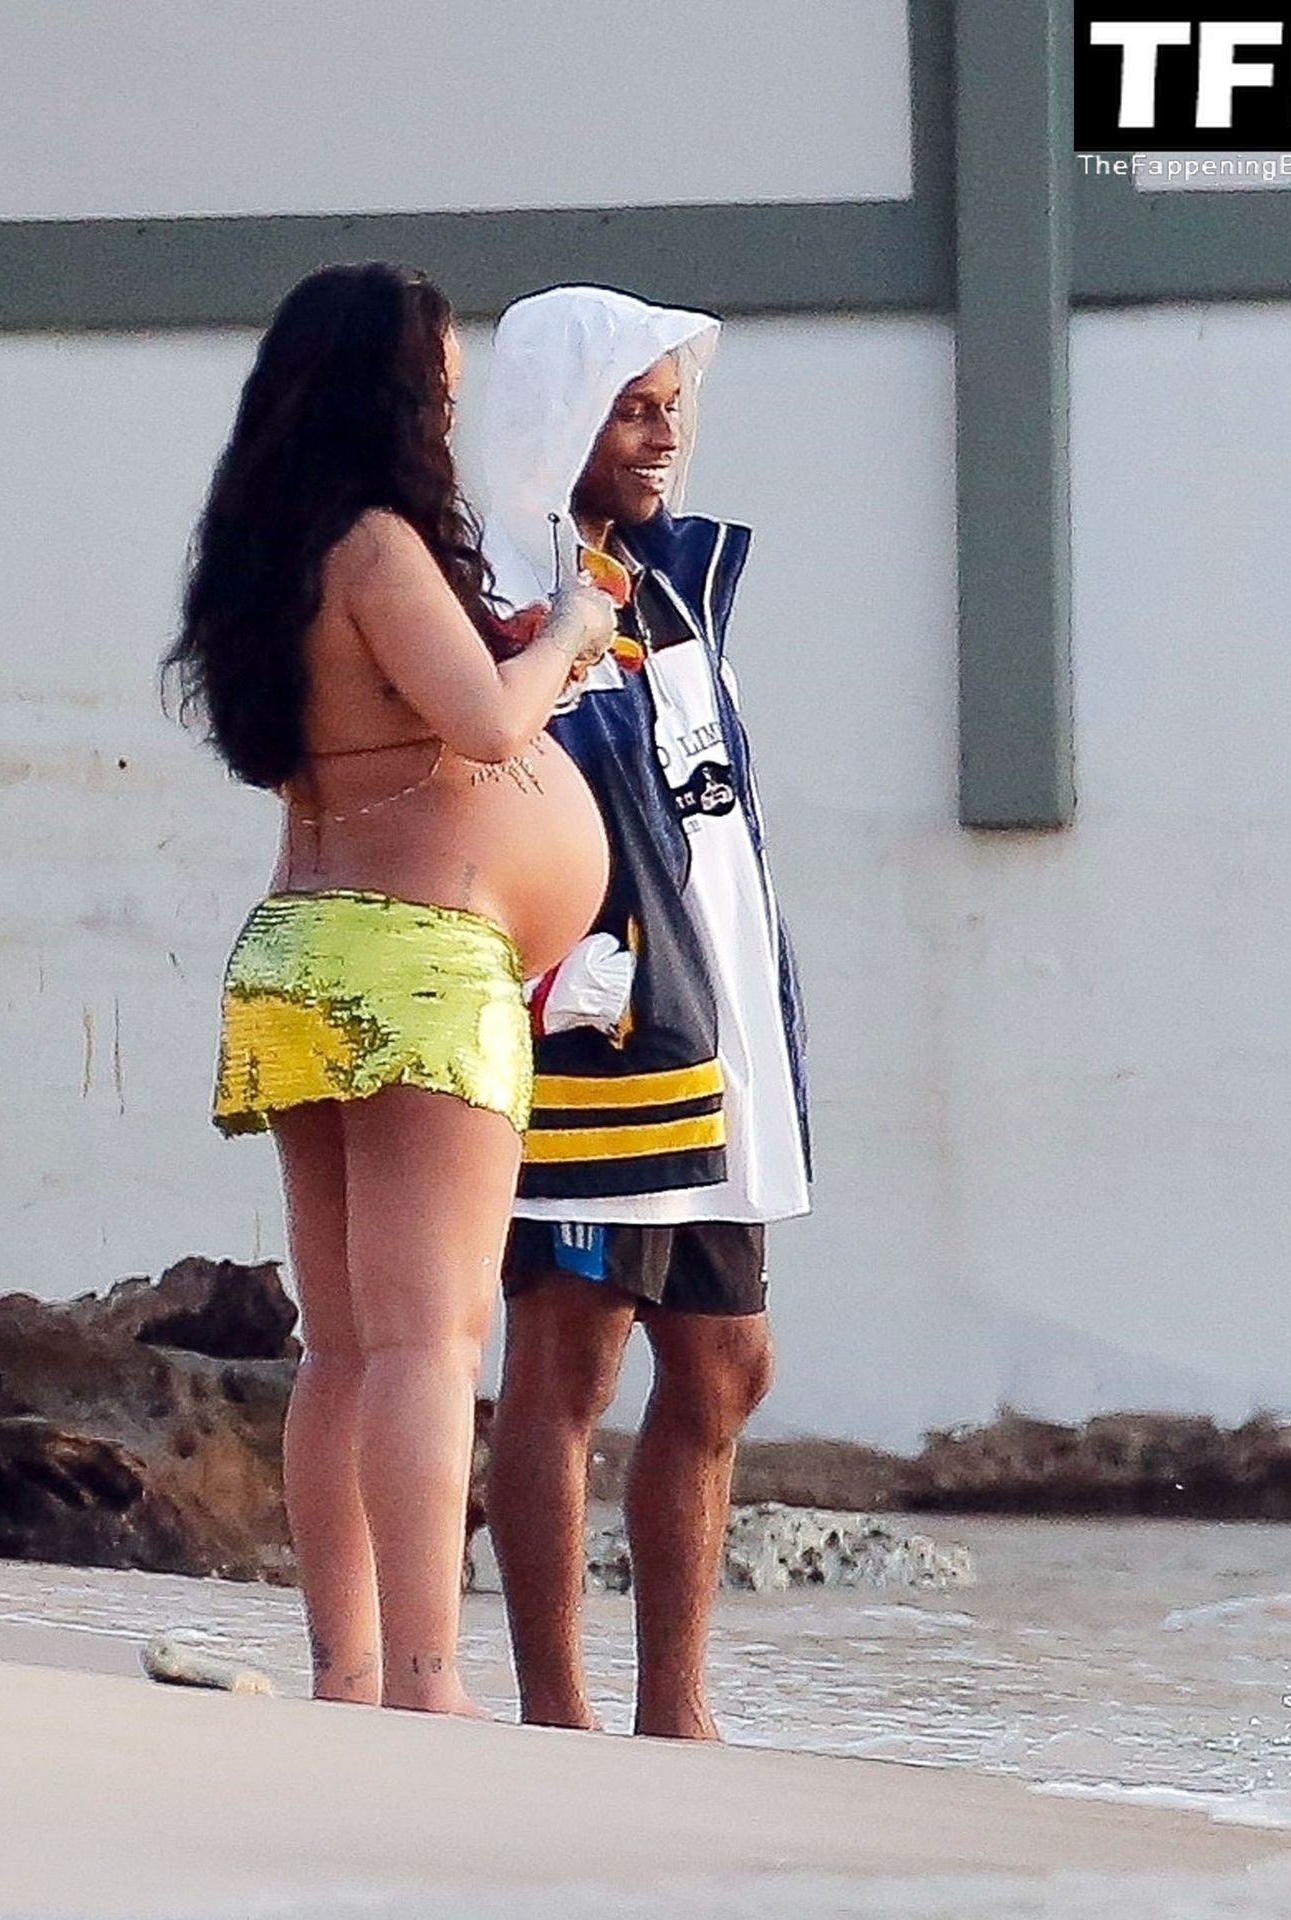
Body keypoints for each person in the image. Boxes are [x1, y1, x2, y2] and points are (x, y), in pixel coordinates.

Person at [165, 263, 617, 1717]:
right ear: (393, 396)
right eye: (441, 388)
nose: (452, 413)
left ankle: (347, 1668)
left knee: (344, 1344)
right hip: (415, 963)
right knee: (431, 1338)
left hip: (292, 950)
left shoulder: (267, 555)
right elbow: (484, 727)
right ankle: (428, 1677)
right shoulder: (374, 544)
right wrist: (570, 634)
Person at [480, 286, 811, 1740]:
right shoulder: (498, 594)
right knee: (570, 1358)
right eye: (630, 407)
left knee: (727, 1362)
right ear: (558, 420)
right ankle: (557, 1712)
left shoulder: (667, 584)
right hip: (592, 1038)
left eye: (671, 404)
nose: (664, 433)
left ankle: (676, 1711)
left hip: (716, 1027)